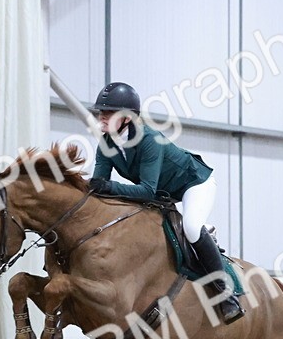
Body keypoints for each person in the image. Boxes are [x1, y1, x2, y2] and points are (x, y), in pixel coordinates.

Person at [87, 82, 244, 324]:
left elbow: (146, 190)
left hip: (193, 184)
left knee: (191, 227)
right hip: (163, 194)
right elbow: (99, 186)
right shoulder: (106, 145)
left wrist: (107, 187)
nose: (102, 117)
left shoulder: (149, 139)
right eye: (101, 112)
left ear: (127, 118)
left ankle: (226, 294)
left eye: (109, 113)